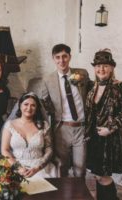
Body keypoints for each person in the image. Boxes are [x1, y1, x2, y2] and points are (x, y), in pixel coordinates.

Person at [85, 48, 122, 200]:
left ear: (112, 68)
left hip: (109, 140)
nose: (101, 69)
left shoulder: (119, 86)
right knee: (98, 176)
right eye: (98, 66)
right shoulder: (92, 87)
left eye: (105, 65)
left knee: (104, 176)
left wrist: (109, 129)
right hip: (95, 139)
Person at [40, 43, 90, 177]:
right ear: (53, 59)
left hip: (81, 128)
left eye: (64, 56)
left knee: (80, 170)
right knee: (61, 168)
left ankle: (78, 197)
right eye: (58, 57)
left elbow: (93, 93)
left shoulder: (82, 74)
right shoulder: (48, 80)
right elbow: (44, 104)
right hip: (61, 129)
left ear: (70, 57)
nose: (61, 60)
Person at [1, 92, 57, 178]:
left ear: (37, 108)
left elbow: (49, 148)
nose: (29, 108)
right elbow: (5, 150)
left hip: (39, 167)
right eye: (26, 104)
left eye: (33, 105)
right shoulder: (10, 125)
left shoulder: (44, 125)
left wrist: (38, 167)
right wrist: (18, 168)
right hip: (16, 166)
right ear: (20, 106)